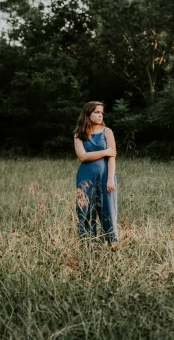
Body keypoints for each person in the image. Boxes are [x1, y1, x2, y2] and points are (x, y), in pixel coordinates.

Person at [73, 101, 118, 248]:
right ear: (88, 114)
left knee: (108, 208)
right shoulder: (78, 133)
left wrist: (111, 178)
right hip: (86, 176)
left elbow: (112, 157)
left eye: (101, 113)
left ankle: (112, 244)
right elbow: (83, 156)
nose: (100, 115)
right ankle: (88, 243)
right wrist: (105, 151)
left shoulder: (107, 132)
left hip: (106, 175)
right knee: (85, 209)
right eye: (97, 112)